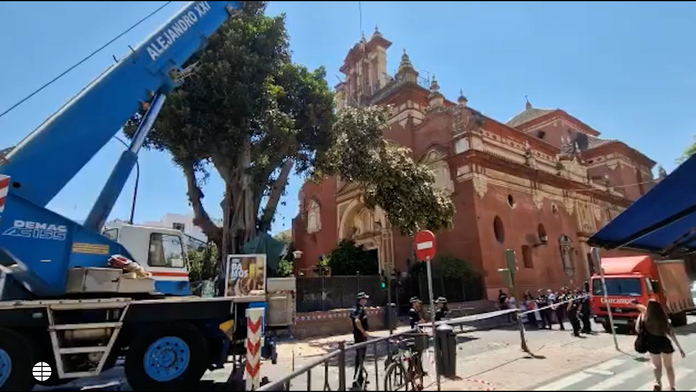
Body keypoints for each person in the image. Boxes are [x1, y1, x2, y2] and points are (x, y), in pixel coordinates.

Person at [635, 299, 686, 391]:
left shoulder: (643, 316)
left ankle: (657, 383)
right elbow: (671, 334)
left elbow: (637, 329)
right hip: (664, 343)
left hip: (652, 343)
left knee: (657, 366)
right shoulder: (662, 318)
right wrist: (680, 349)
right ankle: (672, 387)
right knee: (669, 367)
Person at [350, 292, 372, 389]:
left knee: (360, 358)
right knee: (359, 358)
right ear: (361, 300)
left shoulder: (357, 309)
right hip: (360, 337)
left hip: (359, 336)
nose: (366, 300)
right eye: (364, 299)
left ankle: (360, 378)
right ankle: (357, 380)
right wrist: (363, 332)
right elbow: (357, 321)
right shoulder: (358, 310)